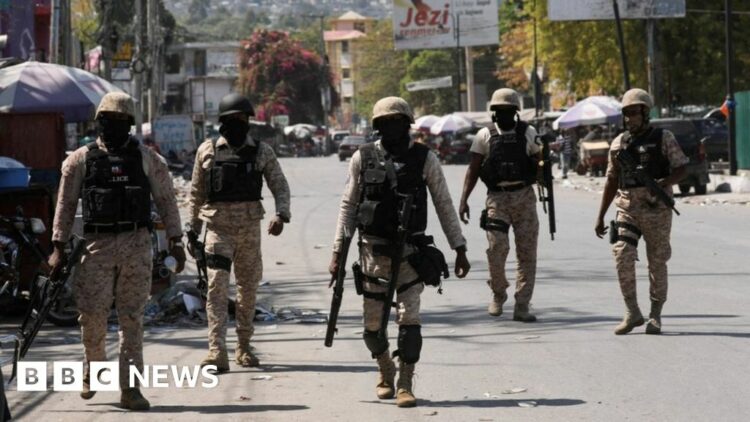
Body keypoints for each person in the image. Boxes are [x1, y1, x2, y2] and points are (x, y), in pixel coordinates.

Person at [329, 97, 470, 408]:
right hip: (372, 253)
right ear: (377, 126)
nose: (392, 128)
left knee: (409, 321)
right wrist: (338, 251)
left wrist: (459, 247)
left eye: (397, 122)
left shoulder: (424, 158)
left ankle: (406, 380)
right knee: (371, 328)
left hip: (410, 253)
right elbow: (348, 206)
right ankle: (385, 369)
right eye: (385, 123)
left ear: (408, 124)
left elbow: (444, 204)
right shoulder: (362, 158)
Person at [49, 92, 186, 411]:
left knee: (132, 319)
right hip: (95, 248)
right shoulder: (80, 159)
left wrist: (176, 243)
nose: (113, 126)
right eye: (107, 120)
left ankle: (131, 388)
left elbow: (167, 201)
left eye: (120, 121)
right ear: (98, 122)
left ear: (130, 124)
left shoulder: (147, 159)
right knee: (92, 316)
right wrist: (57, 246)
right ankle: (94, 370)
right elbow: (66, 204)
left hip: (136, 245)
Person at [187, 93, 291, 371]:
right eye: (233, 119)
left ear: (249, 121)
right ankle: (216, 350)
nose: (238, 123)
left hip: (248, 232)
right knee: (216, 289)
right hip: (217, 231)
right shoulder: (207, 151)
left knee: (247, 290)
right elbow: (196, 192)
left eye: (242, 119)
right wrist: (192, 229)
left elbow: (279, 185)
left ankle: (244, 347)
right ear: (222, 122)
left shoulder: (261, 151)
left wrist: (281, 214)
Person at [594, 88, 687, 335]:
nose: (629, 118)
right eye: (626, 114)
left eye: (634, 113)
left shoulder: (663, 137)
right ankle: (632, 311)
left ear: (645, 113)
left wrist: (664, 183)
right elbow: (611, 180)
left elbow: (681, 167)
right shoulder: (619, 144)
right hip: (627, 208)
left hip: (656, 209)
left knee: (657, 262)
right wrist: (601, 215)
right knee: (622, 253)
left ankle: (655, 315)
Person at [458, 88, 541, 322]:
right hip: (497, 198)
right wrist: (464, 200)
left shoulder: (529, 132)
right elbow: (473, 169)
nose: (503, 115)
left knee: (527, 254)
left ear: (515, 112)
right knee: (496, 250)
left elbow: (540, 161)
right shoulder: (484, 135)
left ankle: (522, 304)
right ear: (493, 113)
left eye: (508, 111)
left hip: (524, 197)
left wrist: (542, 166)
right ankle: (498, 293)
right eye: (499, 111)